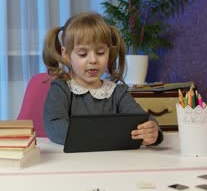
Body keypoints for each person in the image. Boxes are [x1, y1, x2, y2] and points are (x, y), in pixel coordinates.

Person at [42, 12, 163, 146]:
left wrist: (152, 130)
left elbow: (142, 119)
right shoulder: (61, 89)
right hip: (74, 163)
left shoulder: (117, 92)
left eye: (100, 53)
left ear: (109, 53)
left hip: (112, 162)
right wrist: (98, 135)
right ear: (66, 54)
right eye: (83, 54)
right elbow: (54, 126)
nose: (93, 60)